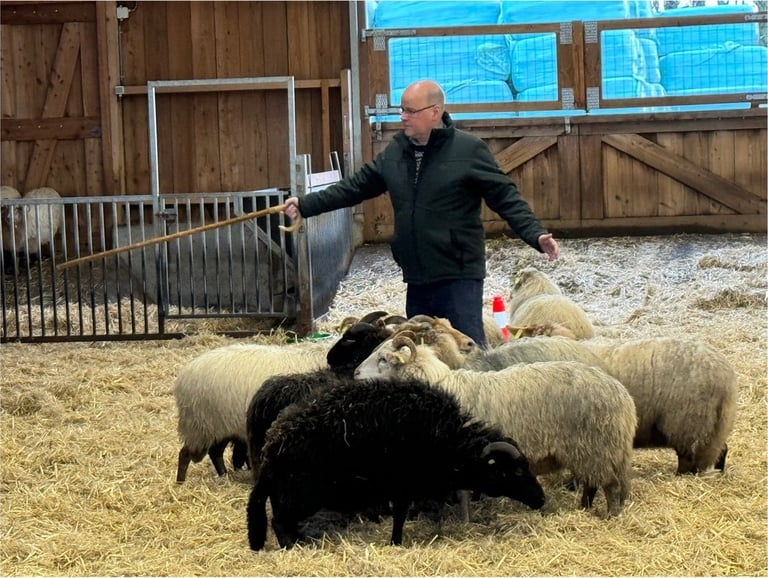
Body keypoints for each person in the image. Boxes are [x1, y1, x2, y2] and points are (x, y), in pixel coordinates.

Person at [283, 79, 559, 347]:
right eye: (401, 109)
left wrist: (535, 235)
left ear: (435, 112)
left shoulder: (468, 150)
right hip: (416, 274)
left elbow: (506, 197)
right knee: (423, 351)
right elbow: (355, 187)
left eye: (410, 111)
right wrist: (306, 205)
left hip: (457, 274)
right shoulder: (396, 152)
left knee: (467, 350)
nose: (402, 117)